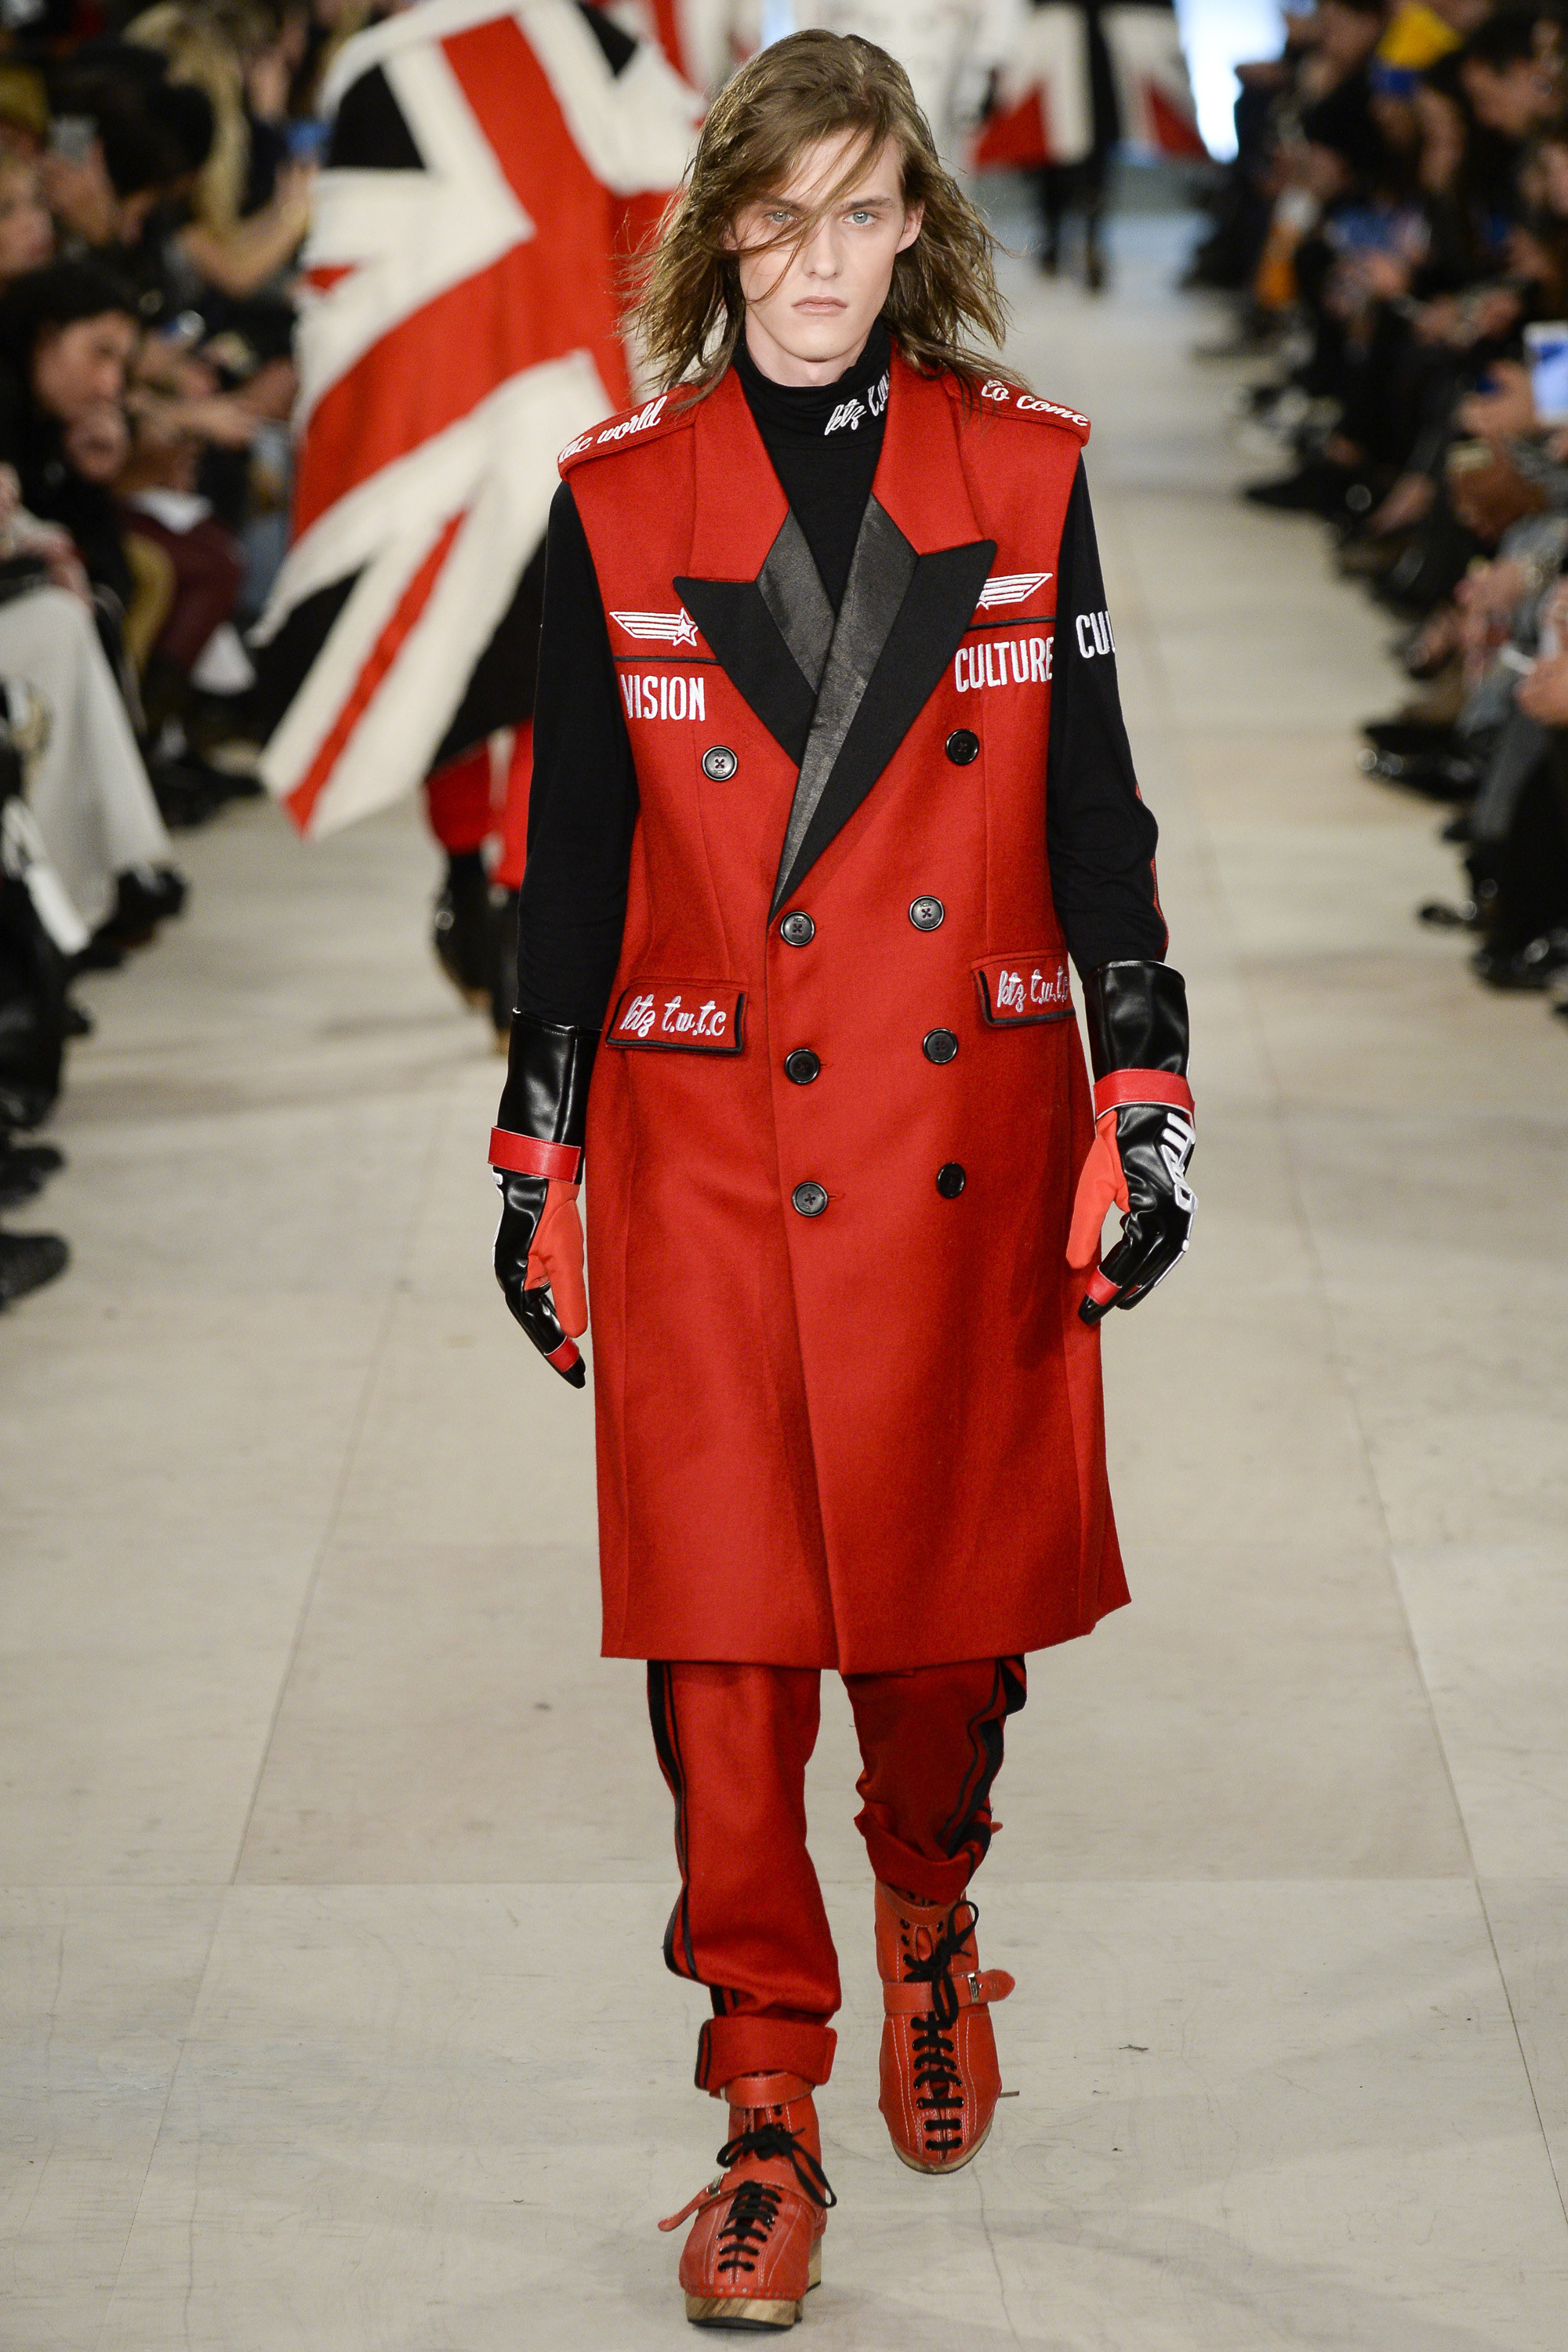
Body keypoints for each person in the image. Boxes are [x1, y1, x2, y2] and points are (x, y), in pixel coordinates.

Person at [487, 28, 1197, 2329]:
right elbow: (572, 858)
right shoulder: (622, 502)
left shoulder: (1021, 471)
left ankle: (930, 1902)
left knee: (936, 1647)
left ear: (917, 229)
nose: (818, 265)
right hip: (701, 1137)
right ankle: (763, 2111)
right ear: (721, 235)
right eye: (778, 219)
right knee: (720, 1654)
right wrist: (534, 1146)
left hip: (957, 1138)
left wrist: (1148, 1088)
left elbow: (1093, 807)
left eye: (862, 215)